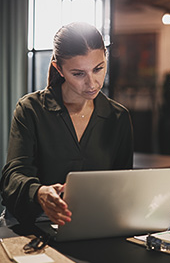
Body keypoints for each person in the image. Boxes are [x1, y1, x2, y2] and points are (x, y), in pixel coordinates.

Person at [0, 22, 133, 227]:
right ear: (58, 69)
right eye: (78, 74)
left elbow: (123, 186)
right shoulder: (31, 110)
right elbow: (12, 177)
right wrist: (38, 193)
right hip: (33, 226)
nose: (92, 83)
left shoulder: (118, 117)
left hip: (93, 226)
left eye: (98, 69)